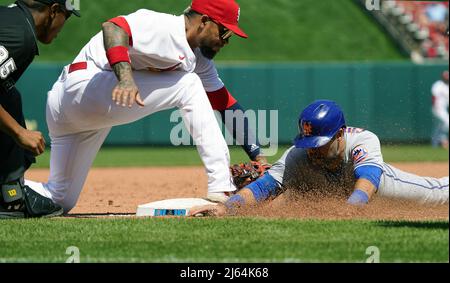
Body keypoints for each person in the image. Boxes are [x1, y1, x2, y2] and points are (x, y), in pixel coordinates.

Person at [24, 0, 262, 213]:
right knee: (188, 85)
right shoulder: (163, 26)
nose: (225, 41)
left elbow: (225, 104)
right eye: (224, 31)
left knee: (60, 198)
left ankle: (9, 185)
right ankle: (221, 186)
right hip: (84, 86)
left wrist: (258, 156)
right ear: (204, 21)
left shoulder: (198, 60)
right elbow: (113, 27)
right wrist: (126, 77)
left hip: (73, 111)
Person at [190, 100, 449, 216]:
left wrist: (352, 207)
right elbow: (265, 186)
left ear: (339, 134)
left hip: (383, 189)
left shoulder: (362, 140)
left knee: (437, 195)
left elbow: (369, 178)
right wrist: (226, 207)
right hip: (349, 194)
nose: (312, 149)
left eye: (319, 144)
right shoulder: (298, 154)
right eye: (308, 143)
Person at [0, 0, 79, 219]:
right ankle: (10, 200)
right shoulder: (20, 36)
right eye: (67, 16)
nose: (63, 27)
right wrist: (19, 132)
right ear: (53, 11)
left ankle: (10, 193)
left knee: (9, 96)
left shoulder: (11, 20)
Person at [431, 70, 449, 149]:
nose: (446, 78)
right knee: (445, 123)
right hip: (438, 108)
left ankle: (439, 141)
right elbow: (434, 96)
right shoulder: (438, 84)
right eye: (445, 76)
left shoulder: (447, 86)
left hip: (443, 109)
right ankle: (441, 140)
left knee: (440, 126)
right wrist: (435, 106)